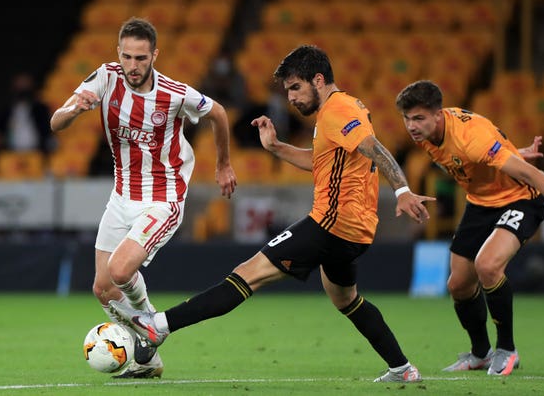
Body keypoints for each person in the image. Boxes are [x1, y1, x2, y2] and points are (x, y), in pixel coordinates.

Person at [109, 45, 435, 384]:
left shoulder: (338, 110)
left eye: (296, 87)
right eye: (288, 90)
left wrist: (402, 190)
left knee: (246, 274)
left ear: (319, 80)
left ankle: (157, 326)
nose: (291, 98)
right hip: (356, 232)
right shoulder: (340, 112)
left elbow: (375, 148)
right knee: (346, 299)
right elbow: (319, 162)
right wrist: (276, 147)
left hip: (330, 223)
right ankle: (402, 368)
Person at [50, 17, 237, 378]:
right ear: (117, 53)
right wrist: (76, 108)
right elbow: (56, 122)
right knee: (102, 288)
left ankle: (150, 328)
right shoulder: (105, 77)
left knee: (121, 271)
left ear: (154, 55)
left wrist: (224, 165)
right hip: (121, 196)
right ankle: (149, 356)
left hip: (163, 197)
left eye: (140, 58)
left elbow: (219, 113)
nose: (132, 66)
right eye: (126, 57)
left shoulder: (174, 93)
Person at [395, 80, 544, 376]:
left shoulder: (469, 137)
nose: (411, 126)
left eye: (419, 118)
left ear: (439, 114)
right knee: (458, 284)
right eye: (407, 118)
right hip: (480, 203)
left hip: (521, 199)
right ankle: (480, 354)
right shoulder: (426, 136)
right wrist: (513, 152)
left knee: (487, 265)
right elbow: (483, 156)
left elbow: (530, 174)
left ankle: (507, 350)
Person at [0, 72, 54, 156]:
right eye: (20, 86)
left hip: (37, 155)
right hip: (11, 154)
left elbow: (49, 130)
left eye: (26, 86)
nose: (23, 89)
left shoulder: (41, 109)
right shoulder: (7, 110)